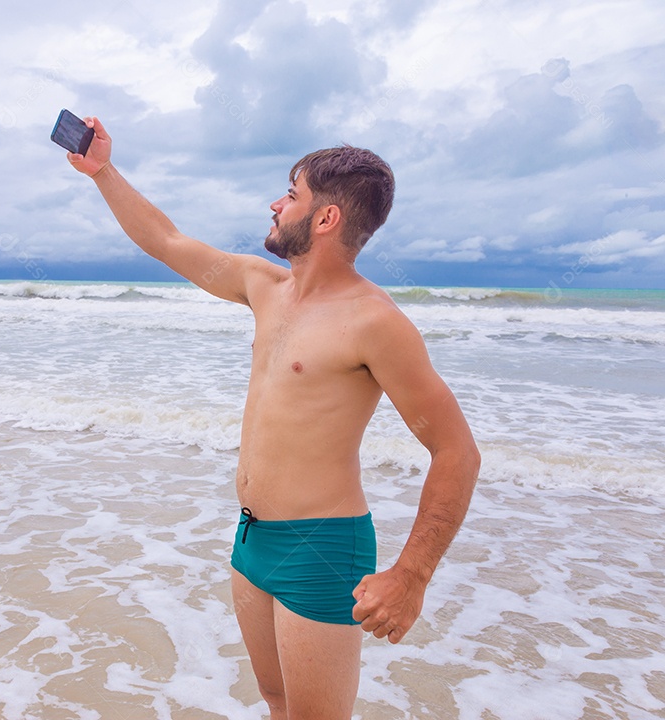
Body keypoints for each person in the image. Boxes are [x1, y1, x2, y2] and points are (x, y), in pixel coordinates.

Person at [65, 116, 480, 720]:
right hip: (252, 538)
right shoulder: (265, 286)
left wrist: (412, 575)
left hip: (321, 549)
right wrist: (102, 170)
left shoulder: (374, 322)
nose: (276, 203)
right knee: (277, 702)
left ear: (326, 218)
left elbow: (456, 451)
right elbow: (167, 240)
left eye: (292, 194)